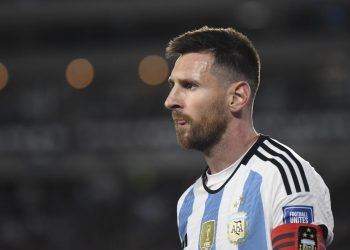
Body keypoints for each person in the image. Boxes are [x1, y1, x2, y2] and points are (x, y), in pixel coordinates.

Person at [163, 26, 334, 250]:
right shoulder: (188, 203)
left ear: (237, 97)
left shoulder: (282, 176)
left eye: (189, 85)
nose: (170, 100)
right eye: (172, 86)